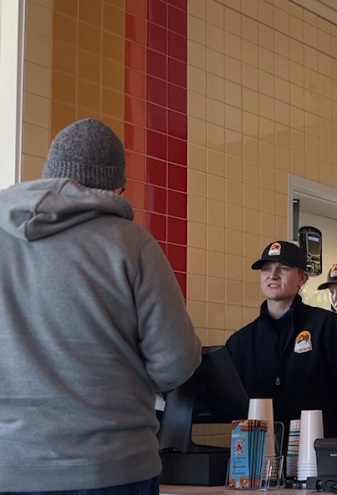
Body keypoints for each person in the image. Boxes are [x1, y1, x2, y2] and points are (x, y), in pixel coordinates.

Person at [0, 119, 202, 494]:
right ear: (114, 188)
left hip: (8, 465)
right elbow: (176, 362)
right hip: (111, 468)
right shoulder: (131, 244)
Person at [226, 242, 337, 441]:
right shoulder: (241, 341)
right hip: (257, 456)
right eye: (266, 269)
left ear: (302, 278)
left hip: (316, 452)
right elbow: (225, 402)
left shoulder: (326, 326)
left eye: (283, 269)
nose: (272, 275)